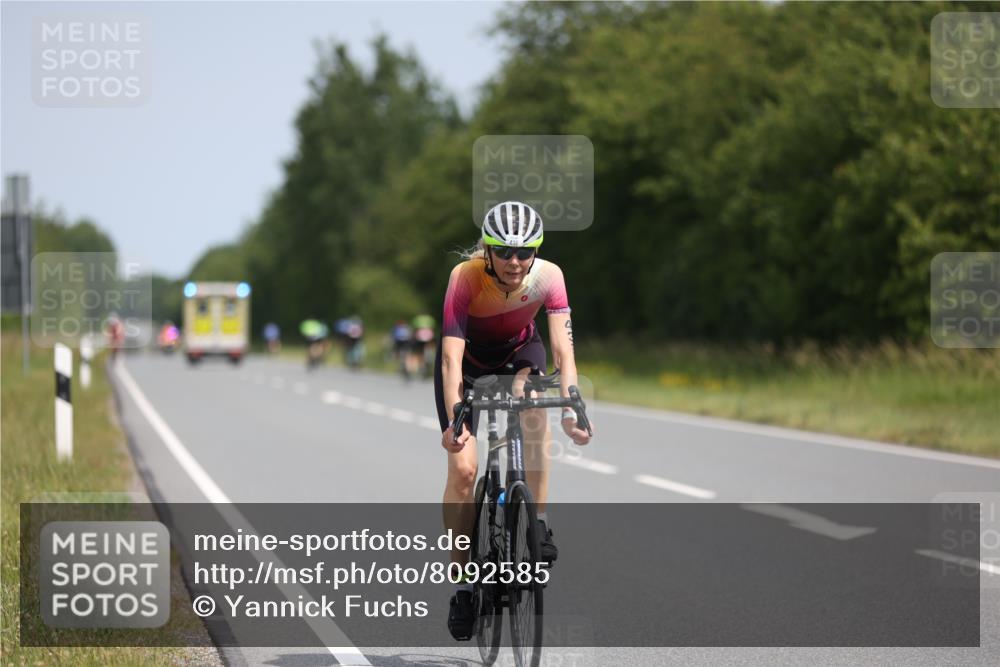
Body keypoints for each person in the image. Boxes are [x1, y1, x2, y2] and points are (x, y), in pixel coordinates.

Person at [436, 201, 594, 640]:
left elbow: (564, 352)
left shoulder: (550, 276)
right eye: (504, 251)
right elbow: (450, 359)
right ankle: (464, 585)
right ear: (487, 251)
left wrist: (571, 408)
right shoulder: (464, 278)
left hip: (519, 355)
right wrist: (455, 418)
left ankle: (537, 522)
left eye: (524, 252)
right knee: (465, 471)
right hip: (466, 363)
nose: (514, 261)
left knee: (534, 419)